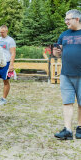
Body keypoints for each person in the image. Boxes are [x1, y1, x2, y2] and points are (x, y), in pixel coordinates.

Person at [53, 9, 81, 140]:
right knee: (67, 102)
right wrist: (56, 52)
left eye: (68, 19)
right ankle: (68, 130)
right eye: (65, 19)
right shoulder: (64, 34)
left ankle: (80, 128)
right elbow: (57, 54)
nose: (66, 22)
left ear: (77, 19)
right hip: (66, 74)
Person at [0, 25, 16, 106]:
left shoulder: (10, 40)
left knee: (6, 81)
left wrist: (11, 65)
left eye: (3, 32)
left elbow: (13, 53)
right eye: (0, 32)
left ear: (6, 31)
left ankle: (3, 99)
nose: (1, 33)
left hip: (6, 63)